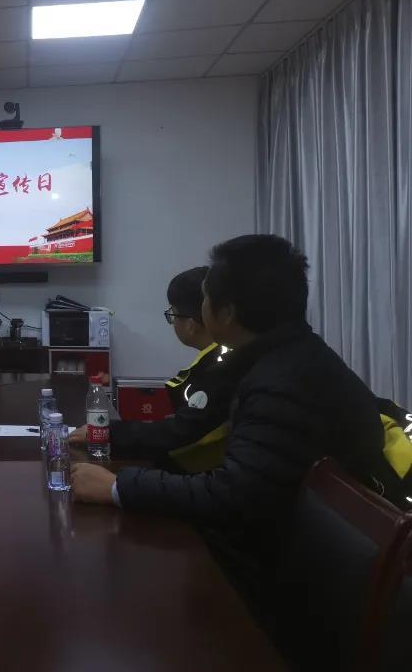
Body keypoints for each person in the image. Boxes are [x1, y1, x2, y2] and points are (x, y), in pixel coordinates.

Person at [71, 235, 382, 598]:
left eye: (204, 297)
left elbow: (232, 495)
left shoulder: (282, 385)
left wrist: (117, 487)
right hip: (294, 549)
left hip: (296, 582)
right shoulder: (286, 355)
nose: (200, 307)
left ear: (227, 313)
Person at [69, 267, 235, 472]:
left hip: (197, 475)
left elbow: (181, 431)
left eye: (172, 314)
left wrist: (105, 433)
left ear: (192, 324)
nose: (172, 322)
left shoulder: (220, 369)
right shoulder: (223, 356)